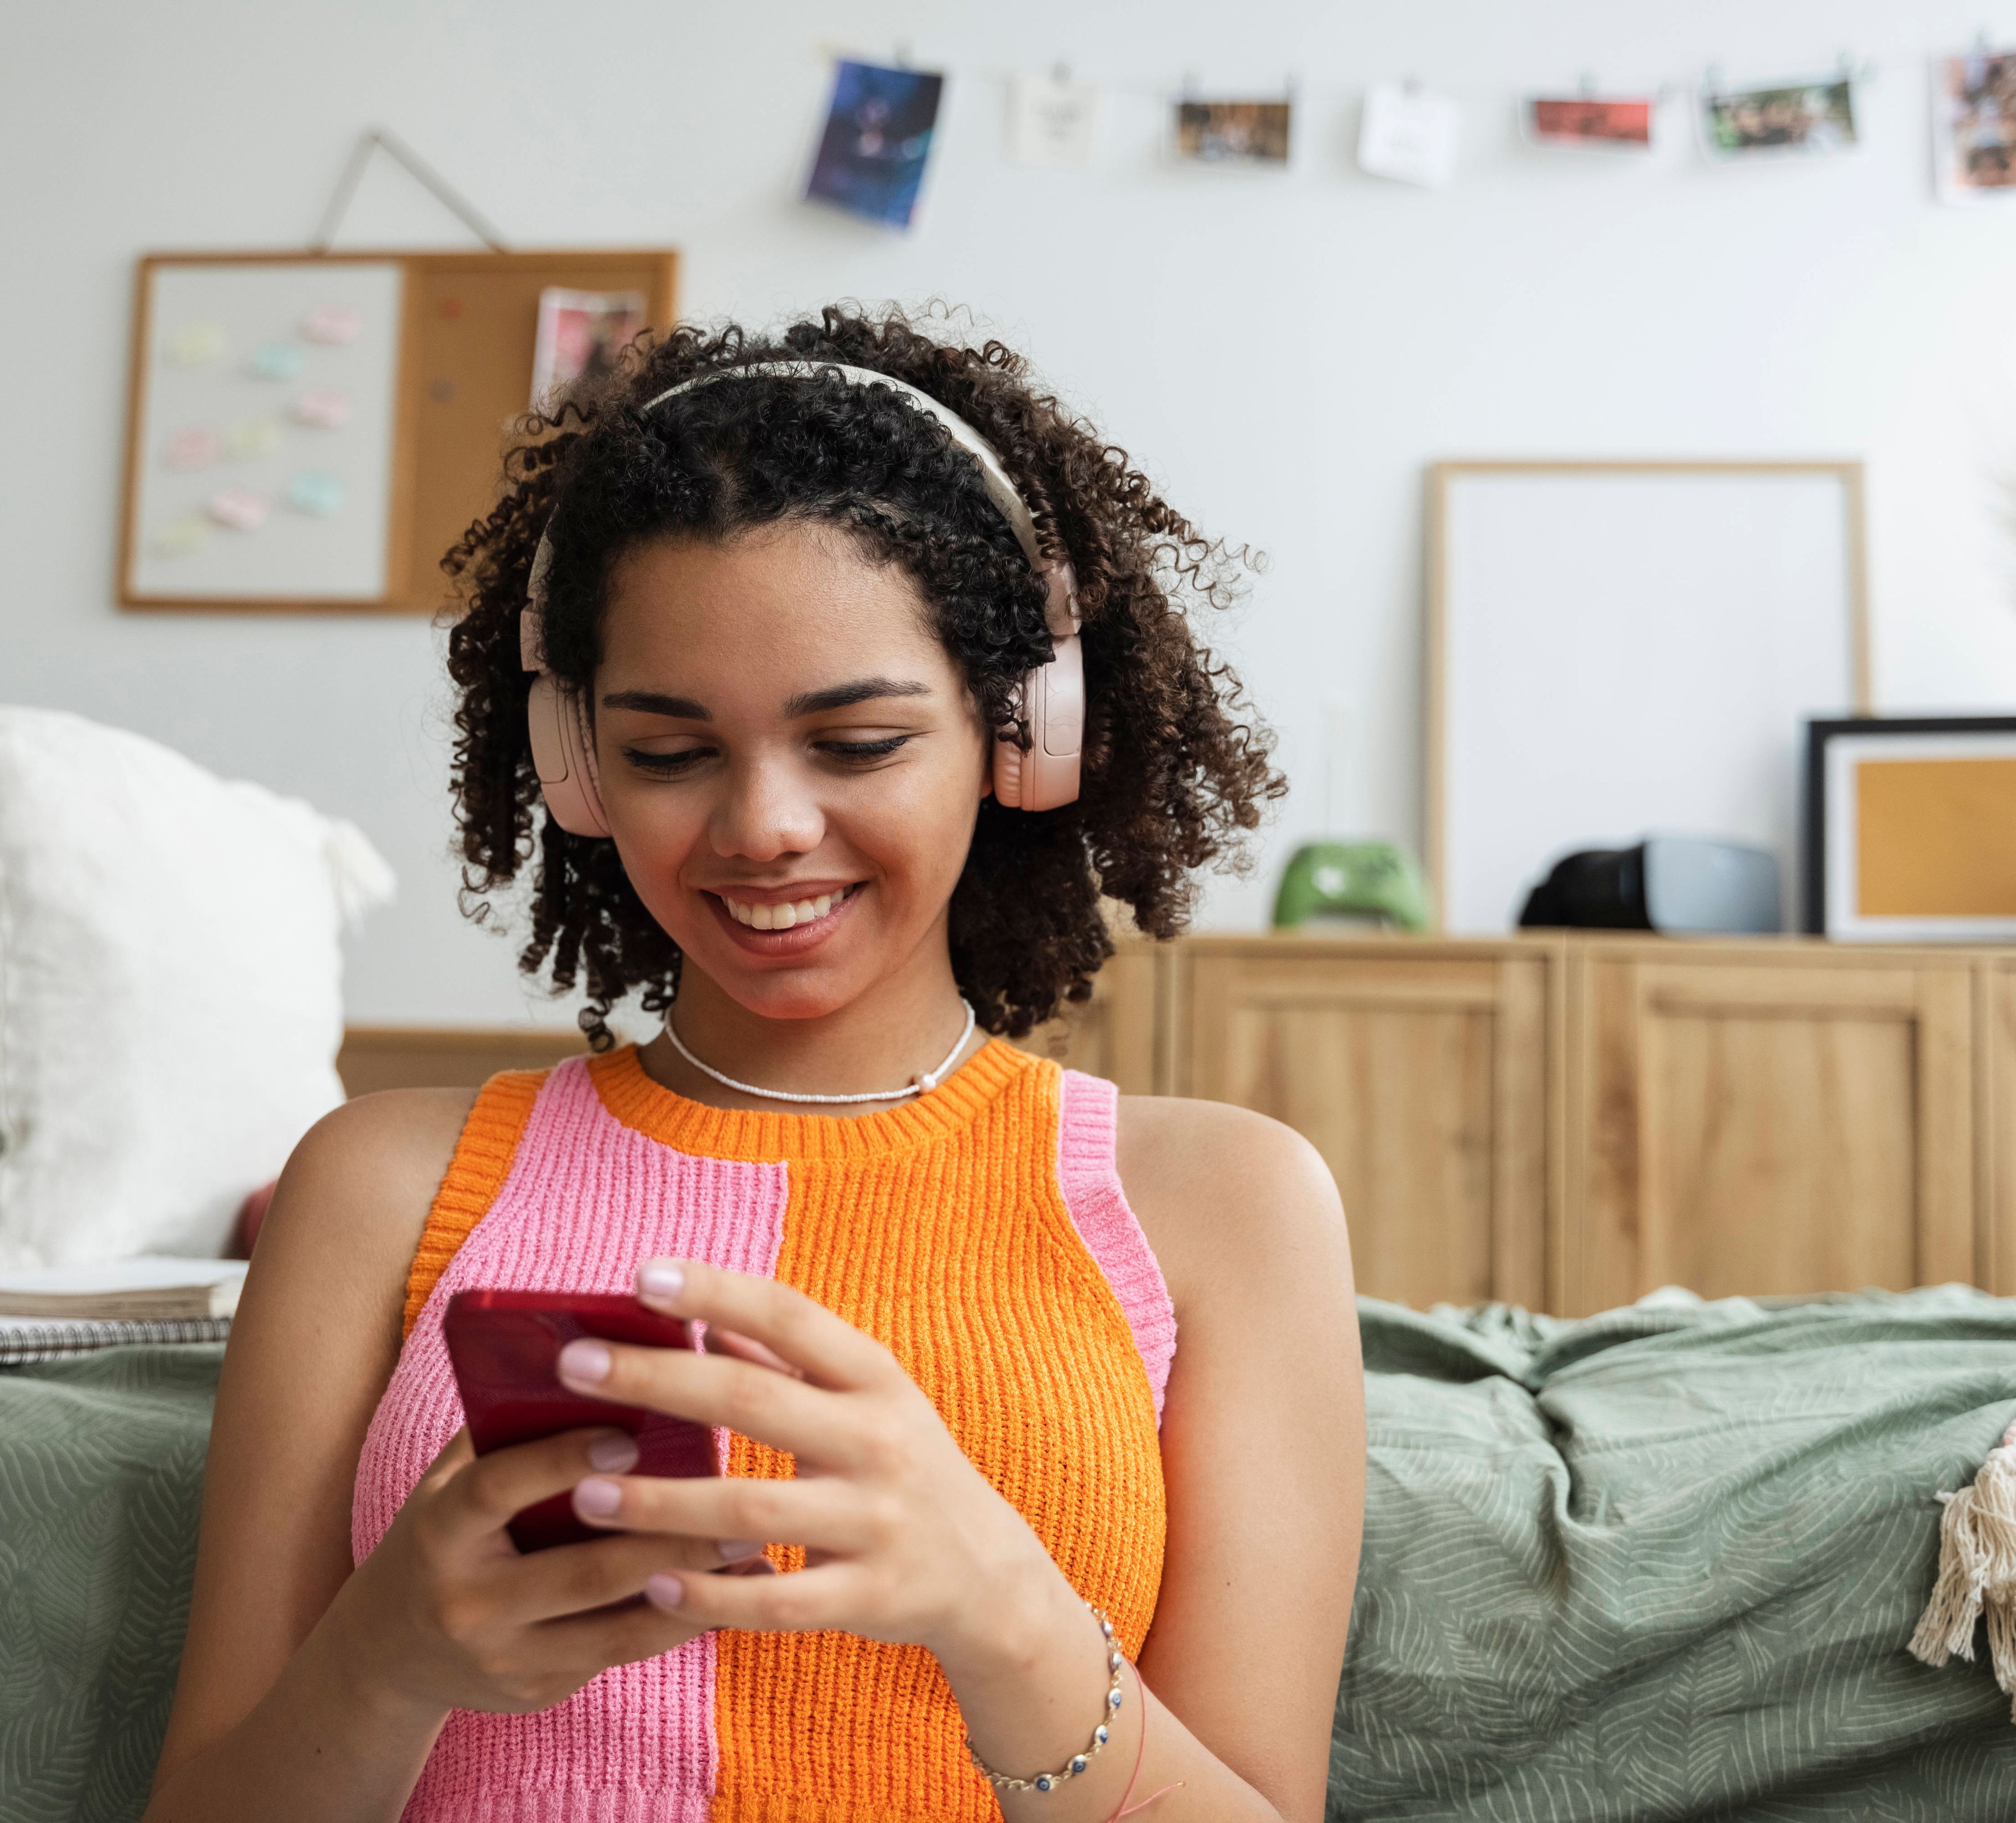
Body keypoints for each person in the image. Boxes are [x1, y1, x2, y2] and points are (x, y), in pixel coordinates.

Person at [146, 307, 1364, 1823]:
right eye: (669, 752)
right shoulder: (378, 1184)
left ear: (1019, 734)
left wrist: (1010, 1618)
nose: (762, 828)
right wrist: (387, 1662)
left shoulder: (1223, 1203)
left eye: (855, 744)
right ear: (576, 762)